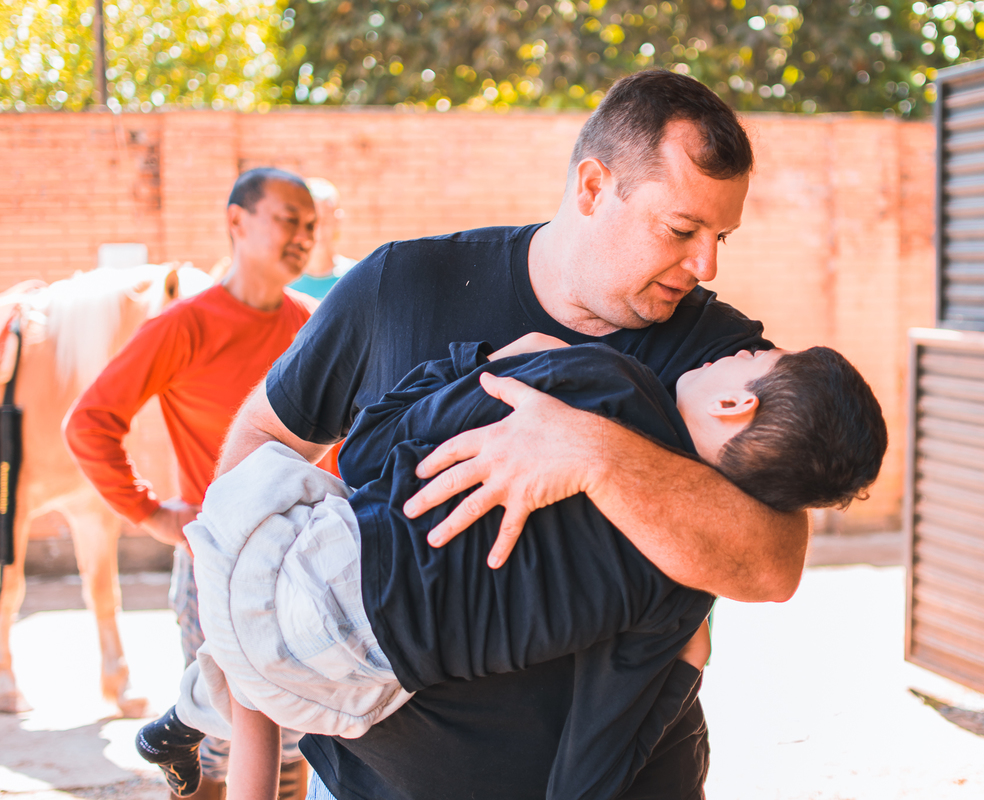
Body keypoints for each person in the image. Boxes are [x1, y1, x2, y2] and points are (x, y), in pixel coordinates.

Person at [217, 69, 811, 799]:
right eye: (682, 229)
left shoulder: (717, 360)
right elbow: (262, 440)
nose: (707, 263)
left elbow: (772, 563)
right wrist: (261, 628)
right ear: (594, 187)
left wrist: (596, 454)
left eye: (721, 236)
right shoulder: (404, 284)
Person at [136, 334, 887, 800]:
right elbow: (597, 746)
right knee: (274, 672)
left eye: (756, 357)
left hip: (273, 580)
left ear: (734, 402)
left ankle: (181, 721)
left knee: (268, 470)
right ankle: (181, 725)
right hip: (354, 687)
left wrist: (497, 362)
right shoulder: (681, 591)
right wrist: (688, 670)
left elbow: (375, 444)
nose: (738, 348)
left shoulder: (605, 384)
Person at [64, 167, 323, 800]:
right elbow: (90, 425)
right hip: (216, 567)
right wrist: (154, 515)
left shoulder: (314, 325)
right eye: (289, 219)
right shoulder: (185, 325)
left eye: (311, 225)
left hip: (304, 565)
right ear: (237, 221)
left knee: (302, 744)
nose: (303, 237)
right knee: (217, 747)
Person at [287, 178, 357, 300]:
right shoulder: (284, 281)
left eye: (325, 220)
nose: (318, 230)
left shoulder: (356, 277)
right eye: (311, 222)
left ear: (337, 220)